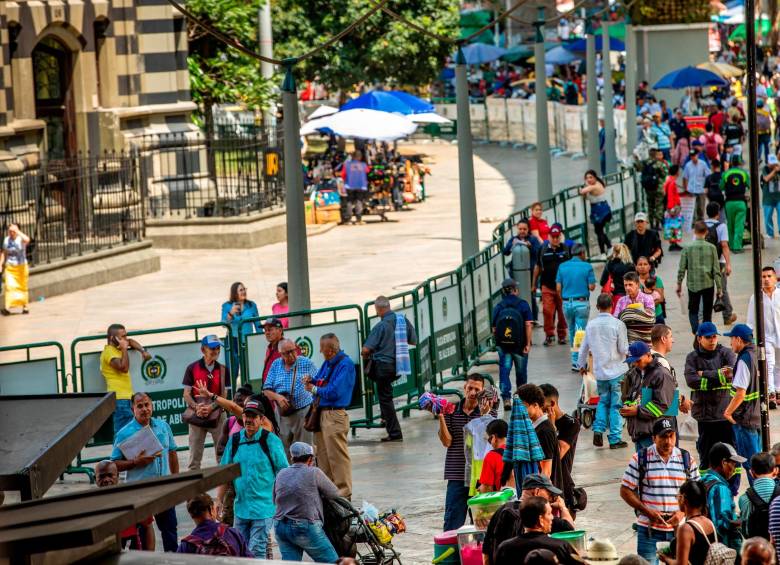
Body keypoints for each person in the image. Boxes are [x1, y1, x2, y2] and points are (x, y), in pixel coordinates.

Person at [620, 418, 699, 565]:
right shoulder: (640, 458)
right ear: (653, 438)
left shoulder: (686, 459)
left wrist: (682, 513)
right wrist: (647, 511)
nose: (668, 441)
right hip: (648, 531)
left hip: (680, 531)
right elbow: (625, 490)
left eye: (671, 436)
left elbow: (697, 494)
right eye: (663, 436)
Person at [217, 396, 288, 557]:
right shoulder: (235, 441)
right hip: (241, 508)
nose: (248, 419)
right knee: (240, 550)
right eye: (246, 415)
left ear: (261, 419)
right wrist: (218, 500)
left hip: (264, 508)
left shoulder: (270, 441)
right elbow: (224, 473)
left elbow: (284, 472)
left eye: (253, 416)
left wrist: (282, 502)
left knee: (256, 550)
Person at [111, 392, 179, 552]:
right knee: (142, 535)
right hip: (140, 492)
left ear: (152, 405)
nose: (144, 409)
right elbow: (113, 464)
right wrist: (135, 462)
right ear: (132, 408)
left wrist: (176, 481)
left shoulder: (163, 426)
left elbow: (173, 453)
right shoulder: (124, 433)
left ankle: (173, 560)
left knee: (169, 530)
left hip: (164, 488)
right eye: (140, 406)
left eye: (147, 405)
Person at [304, 333, 355, 498]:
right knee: (323, 457)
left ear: (331, 350)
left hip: (335, 415)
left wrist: (313, 388)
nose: (320, 351)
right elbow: (320, 380)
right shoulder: (328, 362)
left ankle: (343, 495)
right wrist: (312, 380)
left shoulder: (345, 365)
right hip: (322, 414)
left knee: (337, 458)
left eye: (322, 349)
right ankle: (328, 493)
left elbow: (334, 391)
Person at [483, 474, 575, 565]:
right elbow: (570, 529)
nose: (550, 498)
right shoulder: (540, 514)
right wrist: (563, 507)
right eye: (549, 494)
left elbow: (486, 549)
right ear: (537, 492)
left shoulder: (502, 509)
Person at [684, 322, 737, 474]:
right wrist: (719, 375)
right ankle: (707, 486)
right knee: (705, 456)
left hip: (725, 415)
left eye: (714, 336)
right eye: (708, 337)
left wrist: (704, 374)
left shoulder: (726, 353)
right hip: (705, 417)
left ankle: (731, 487)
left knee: (731, 455)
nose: (713, 340)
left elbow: (731, 374)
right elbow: (691, 381)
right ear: (699, 338)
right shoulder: (692, 358)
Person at [273, 442, 340, 562]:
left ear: (292, 458)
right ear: (310, 459)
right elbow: (334, 494)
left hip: (280, 525)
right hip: (304, 526)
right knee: (332, 562)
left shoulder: (281, 473)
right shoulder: (314, 472)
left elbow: (275, 499)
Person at [362, 295, 417, 442]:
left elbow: (366, 349)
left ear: (378, 309)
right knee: (385, 396)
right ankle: (385, 418)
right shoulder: (402, 320)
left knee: (385, 399)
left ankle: (394, 433)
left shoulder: (380, 326)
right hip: (398, 366)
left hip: (383, 367)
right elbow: (413, 340)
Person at [578, 293, 629, 449]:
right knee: (616, 405)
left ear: (597, 307)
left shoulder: (591, 325)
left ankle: (598, 430)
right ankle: (614, 439)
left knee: (602, 402)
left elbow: (583, 349)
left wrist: (581, 365)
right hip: (617, 371)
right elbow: (623, 348)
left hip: (600, 373)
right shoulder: (618, 324)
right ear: (611, 306)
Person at [438, 374, 488, 531]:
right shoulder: (451, 411)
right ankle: (452, 555)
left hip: (480, 478)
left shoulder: (488, 411)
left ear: (482, 391)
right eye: (470, 388)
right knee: (452, 523)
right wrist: (441, 416)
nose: (473, 392)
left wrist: (484, 415)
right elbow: (447, 442)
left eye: (477, 389)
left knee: (482, 524)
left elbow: (486, 441)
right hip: (457, 475)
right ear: (464, 388)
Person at [620, 342, 677, 451]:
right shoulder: (635, 373)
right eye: (633, 361)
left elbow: (662, 405)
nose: (635, 364)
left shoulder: (661, 374)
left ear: (648, 355)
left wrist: (637, 411)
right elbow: (631, 397)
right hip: (639, 433)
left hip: (655, 435)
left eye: (638, 360)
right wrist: (627, 407)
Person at [263, 338, 316, 454]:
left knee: (304, 449)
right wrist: (277, 397)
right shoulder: (276, 364)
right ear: (281, 354)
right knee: (284, 449)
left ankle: (306, 471)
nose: (291, 355)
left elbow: (319, 382)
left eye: (293, 350)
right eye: (286, 353)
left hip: (303, 412)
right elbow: (266, 390)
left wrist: (311, 382)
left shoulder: (306, 363)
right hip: (283, 414)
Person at [494, 497, 582, 565]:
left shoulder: (504, 548)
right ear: (540, 519)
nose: (552, 517)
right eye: (549, 513)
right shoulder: (560, 546)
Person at [182, 334, 226, 470]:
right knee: (194, 461)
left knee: (223, 457)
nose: (216, 351)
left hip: (218, 415)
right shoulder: (192, 368)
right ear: (203, 350)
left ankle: (226, 490)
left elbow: (224, 395)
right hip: (197, 416)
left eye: (218, 347)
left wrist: (211, 407)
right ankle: (195, 491)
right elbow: (186, 394)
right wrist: (197, 407)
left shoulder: (224, 369)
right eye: (212, 348)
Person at [723, 324, 761, 479]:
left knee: (751, 465)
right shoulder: (753, 354)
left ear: (738, 339)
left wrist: (728, 412)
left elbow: (740, 393)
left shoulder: (744, 359)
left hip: (745, 419)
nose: (730, 343)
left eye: (731, 339)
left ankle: (758, 499)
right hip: (754, 416)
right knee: (758, 462)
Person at [100, 324, 152, 433]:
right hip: (119, 399)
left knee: (131, 433)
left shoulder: (118, 348)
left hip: (127, 398)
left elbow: (131, 341)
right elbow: (123, 367)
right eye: (122, 337)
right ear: (112, 338)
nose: (125, 339)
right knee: (122, 434)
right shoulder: (109, 352)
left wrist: (142, 351)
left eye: (125, 336)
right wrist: (124, 348)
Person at [96, 460, 155, 551]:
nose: (107, 480)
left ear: (118, 476)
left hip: (131, 551)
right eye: (102, 476)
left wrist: (150, 558)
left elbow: (148, 527)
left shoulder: (132, 499)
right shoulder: (91, 504)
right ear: (95, 478)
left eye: (110, 475)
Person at [492, 278, 533, 408]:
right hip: (520, 346)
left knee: (504, 371)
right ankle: (521, 398)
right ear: (515, 290)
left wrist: (501, 343)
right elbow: (528, 325)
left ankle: (506, 398)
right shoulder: (523, 305)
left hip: (504, 346)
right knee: (521, 372)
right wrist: (528, 344)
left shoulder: (499, 306)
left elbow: (494, 329)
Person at [676, 221, 722, 334]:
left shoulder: (687, 248)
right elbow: (716, 270)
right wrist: (719, 288)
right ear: (706, 232)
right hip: (708, 284)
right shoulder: (712, 248)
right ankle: (706, 333)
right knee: (707, 311)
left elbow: (682, 268)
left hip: (693, 284)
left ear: (694, 232)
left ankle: (696, 331)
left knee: (693, 310)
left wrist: (679, 284)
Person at [540, 384, 581, 511]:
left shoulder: (571, 423)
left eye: (543, 407)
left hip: (562, 479)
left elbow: (558, 453)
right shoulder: (540, 423)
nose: (540, 411)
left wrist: (552, 428)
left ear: (552, 403)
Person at [556, 244, 596, 370]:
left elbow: (558, 288)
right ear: (582, 253)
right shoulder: (587, 266)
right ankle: (579, 362)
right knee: (580, 333)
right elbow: (592, 287)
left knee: (573, 331)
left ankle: (575, 360)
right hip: (581, 303)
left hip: (567, 303)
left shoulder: (562, 267)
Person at [657, 480, 716, 565]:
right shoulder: (709, 522)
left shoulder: (686, 528)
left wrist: (665, 559)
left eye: (678, 497)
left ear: (683, 499)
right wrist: (676, 526)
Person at [702, 442, 746, 551]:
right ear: (723, 463)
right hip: (721, 550)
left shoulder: (704, 480)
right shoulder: (721, 489)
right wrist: (737, 522)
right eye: (733, 464)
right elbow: (721, 524)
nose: (735, 469)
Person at [177, 493, 252, 556]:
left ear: (191, 514)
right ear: (211, 509)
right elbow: (250, 561)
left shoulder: (186, 546)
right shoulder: (232, 534)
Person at [747, 267, 780, 408]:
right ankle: (771, 393)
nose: (766, 279)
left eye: (769, 276)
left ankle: (778, 390)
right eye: (763, 276)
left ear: (775, 278)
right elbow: (750, 320)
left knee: (779, 365)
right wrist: (750, 338)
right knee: (769, 365)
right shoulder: (756, 297)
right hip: (765, 337)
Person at [517, 383, 561, 490]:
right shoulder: (535, 426)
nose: (519, 412)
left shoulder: (544, 430)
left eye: (524, 407)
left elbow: (546, 470)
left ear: (536, 405)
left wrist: (537, 493)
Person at [533, 225, 571, 347]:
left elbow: (571, 266)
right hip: (547, 286)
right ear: (549, 236)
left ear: (560, 236)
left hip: (563, 287)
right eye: (553, 237)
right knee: (547, 311)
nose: (555, 239)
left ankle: (562, 335)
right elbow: (538, 267)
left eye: (557, 237)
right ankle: (549, 335)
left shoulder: (566, 249)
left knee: (562, 313)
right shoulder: (542, 249)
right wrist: (533, 284)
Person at [503, 219, 542, 321]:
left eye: (524, 229)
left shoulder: (533, 239)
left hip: (530, 272)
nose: (522, 231)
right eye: (520, 229)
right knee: (517, 295)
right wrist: (511, 245)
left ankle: (533, 318)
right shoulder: (513, 239)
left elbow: (538, 252)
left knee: (531, 295)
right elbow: (505, 252)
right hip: (516, 272)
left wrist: (530, 246)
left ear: (528, 229)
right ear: (517, 229)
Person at [221, 282, 261, 381]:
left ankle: (248, 393)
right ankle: (231, 394)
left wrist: (260, 338)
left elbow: (257, 324)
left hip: (247, 340)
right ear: (235, 292)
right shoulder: (227, 306)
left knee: (248, 369)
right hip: (232, 341)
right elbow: (223, 324)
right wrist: (231, 313)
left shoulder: (251, 305)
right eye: (241, 290)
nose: (243, 292)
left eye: (244, 289)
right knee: (232, 371)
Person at [704, 202, 736, 326]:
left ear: (707, 213)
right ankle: (727, 316)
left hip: (704, 263)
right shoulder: (722, 226)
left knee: (705, 290)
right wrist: (728, 264)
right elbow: (724, 245)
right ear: (718, 213)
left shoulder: (700, 226)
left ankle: (706, 318)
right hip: (719, 262)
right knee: (722, 288)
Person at [739, 452, 780, 539]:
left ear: (751, 472)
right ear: (776, 471)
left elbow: (745, 531)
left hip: (757, 548)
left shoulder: (744, 498)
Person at [579, 169, 612, 255]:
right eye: (587, 178)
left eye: (590, 177)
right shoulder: (592, 186)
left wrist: (584, 186)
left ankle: (603, 252)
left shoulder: (596, 185)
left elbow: (582, 191)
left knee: (599, 231)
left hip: (601, 210)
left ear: (595, 177)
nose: (589, 179)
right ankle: (609, 247)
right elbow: (585, 196)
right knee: (599, 231)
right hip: (597, 210)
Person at [721, 154, 749, 253]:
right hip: (741, 202)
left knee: (730, 225)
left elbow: (721, 187)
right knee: (739, 225)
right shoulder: (744, 173)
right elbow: (749, 186)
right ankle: (737, 247)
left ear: (731, 162)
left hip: (729, 203)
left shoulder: (726, 174)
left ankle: (731, 246)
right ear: (740, 162)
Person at [1, 223, 30, 315]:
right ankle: (7, 308)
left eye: (13, 231)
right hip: (10, 266)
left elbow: (27, 240)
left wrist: (18, 231)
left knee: (22, 287)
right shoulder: (6, 240)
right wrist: (1, 263)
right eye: (10, 230)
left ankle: (25, 307)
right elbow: (4, 252)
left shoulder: (21, 238)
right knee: (9, 287)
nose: (11, 232)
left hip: (21, 266)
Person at [479, 419, 510, 493]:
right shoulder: (519, 450)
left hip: (503, 501)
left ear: (494, 437)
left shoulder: (492, 456)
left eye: (489, 440)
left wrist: (480, 489)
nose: (490, 444)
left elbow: (486, 489)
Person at [601, 243, 635, 309]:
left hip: (614, 297)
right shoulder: (630, 266)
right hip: (630, 296)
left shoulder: (610, 264)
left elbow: (602, 282)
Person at [682, 149, 711, 222]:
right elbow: (685, 177)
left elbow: (708, 175)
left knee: (701, 207)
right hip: (691, 189)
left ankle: (700, 220)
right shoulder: (688, 165)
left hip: (701, 189)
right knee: (692, 207)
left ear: (697, 155)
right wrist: (685, 188)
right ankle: (693, 222)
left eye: (694, 156)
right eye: (691, 156)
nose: (693, 158)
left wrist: (707, 187)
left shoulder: (703, 164)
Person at [342, 150, 369, 224]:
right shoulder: (363, 164)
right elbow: (367, 172)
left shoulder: (346, 164)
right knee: (359, 201)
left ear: (352, 156)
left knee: (349, 202)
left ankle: (348, 219)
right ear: (360, 157)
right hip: (361, 186)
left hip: (349, 185)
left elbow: (343, 175)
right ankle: (358, 219)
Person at [637, 257, 665, 323]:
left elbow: (661, 298)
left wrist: (646, 308)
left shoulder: (656, 280)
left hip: (657, 315)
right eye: (640, 264)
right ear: (636, 267)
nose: (643, 267)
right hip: (641, 318)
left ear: (649, 267)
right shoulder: (634, 282)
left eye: (645, 264)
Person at [663, 166, 683, 251]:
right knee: (675, 225)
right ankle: (673, 243)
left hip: (671, 206)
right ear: (676, 172)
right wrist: (672, 208)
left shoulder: (669, 180)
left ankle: (673, 242)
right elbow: (670, 196)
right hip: (673, 207)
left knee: (672, 225)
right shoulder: (672, 182)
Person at [261, 318, 287, 383]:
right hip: (269, 389)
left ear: (280, 331)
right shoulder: (269, 348)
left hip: (280, 391)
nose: (267, 333)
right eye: (265, 330)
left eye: (270, 330)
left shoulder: (288, 348)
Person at [763, 155, 780, 239]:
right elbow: (766, 179)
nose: (773, 165)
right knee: (767, 217)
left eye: (774, 163)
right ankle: (770, 233)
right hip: (768, 198)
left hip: (778, 197)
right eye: (772, 163)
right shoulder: (765, 169)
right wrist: (774, 171)